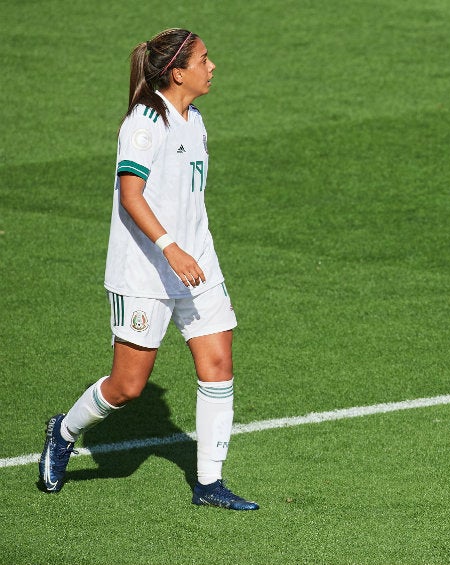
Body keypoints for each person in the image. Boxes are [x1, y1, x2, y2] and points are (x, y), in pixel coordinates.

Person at [37, 28, 258, 511]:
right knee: (128, 386)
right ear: (178, 72)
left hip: (198, 265)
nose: (212, 66)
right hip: (145, 273)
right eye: (204, 59)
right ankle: (65, 430)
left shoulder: (194, 119)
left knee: (218, 365)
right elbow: (130, 195)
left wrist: (189, 251)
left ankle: (208, 484)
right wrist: (170, 248)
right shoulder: (143, 123)